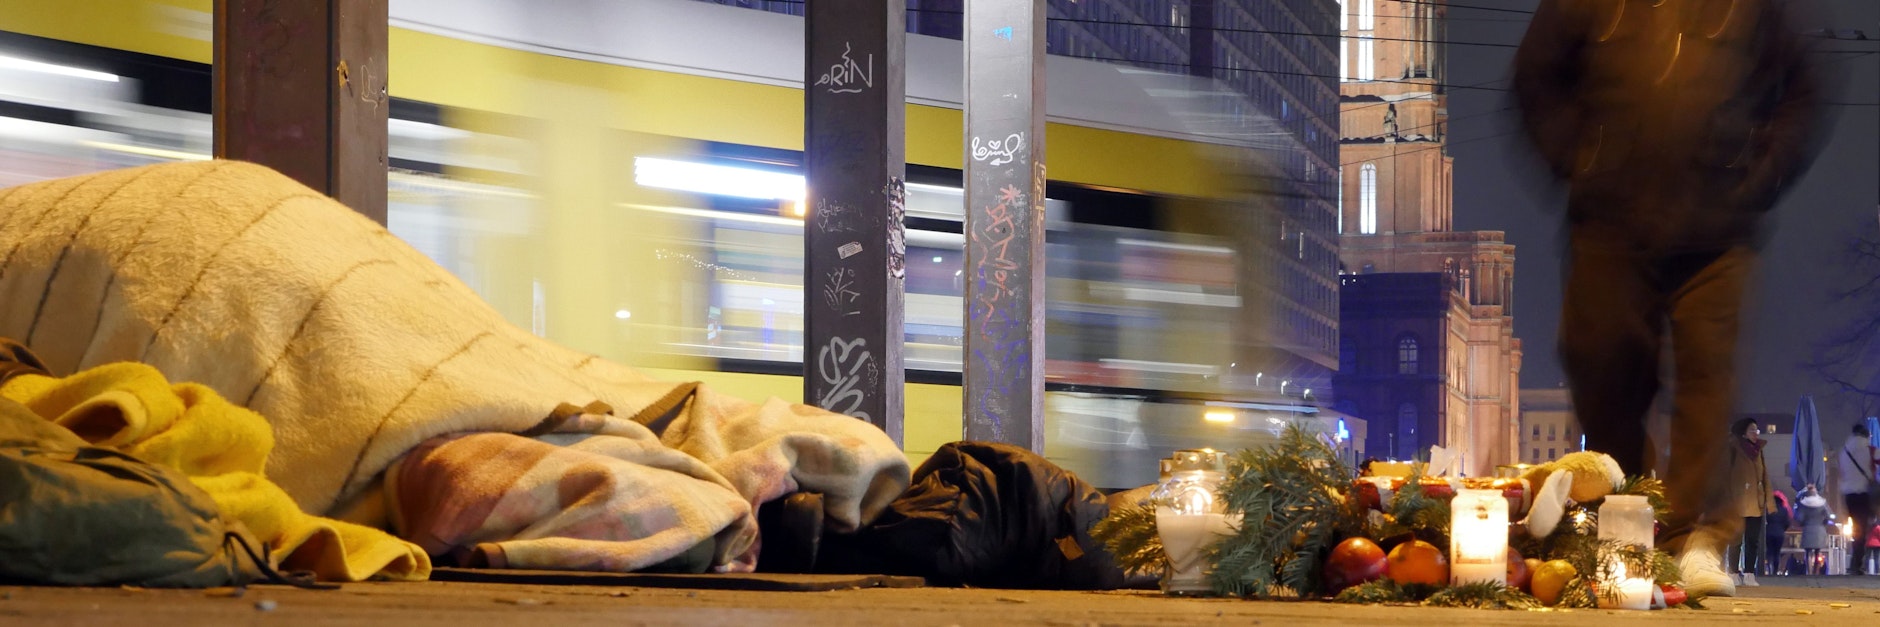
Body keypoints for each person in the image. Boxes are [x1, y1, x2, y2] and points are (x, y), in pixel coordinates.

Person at [1513, 0, 1823, 598]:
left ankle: (1697, 538)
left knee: (1708, 376)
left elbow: (1804, 89)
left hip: (1717, 230)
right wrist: (1578, 162)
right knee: (1599, 363)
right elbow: (1535, 75)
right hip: (1610, 226)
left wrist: (1758, 179)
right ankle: (1629, 516)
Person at [1725, 418, 1775, 585]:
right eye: (1752, 430)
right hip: (1737, 501)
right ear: (1743, 433)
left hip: (1756, 501)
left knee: (1753, 540)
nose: (1756, 433)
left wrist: (1770, 503)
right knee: (1736, 539)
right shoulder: (1733, 449)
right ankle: (1733, 572)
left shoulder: (1758, 450)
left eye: (1757, 430)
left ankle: (1749, 573)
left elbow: (1765, 476)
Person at [1840, 423, 1878, 574]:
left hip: (1848, 494)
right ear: (1866, 435)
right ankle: (1857, 563)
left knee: (1857, 527)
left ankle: (1855, 561)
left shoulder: (1844, 451)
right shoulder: (1870, 450)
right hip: (1865, 494)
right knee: (1863, 528)